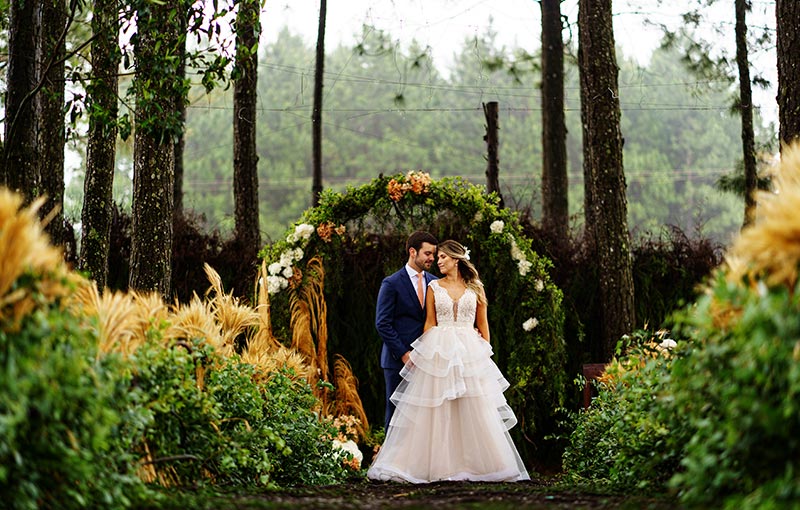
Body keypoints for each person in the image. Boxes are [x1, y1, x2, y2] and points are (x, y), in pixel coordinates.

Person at [368, 240, 530, 483]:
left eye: (442, 256)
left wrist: (482, 354)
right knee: (438, 409)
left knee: (473, 408)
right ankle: (435, 465)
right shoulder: (434, 286)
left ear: (456, 259)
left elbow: (483, 326)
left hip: (469, 352)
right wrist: (425, 354)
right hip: (440, 350)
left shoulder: (476, 288)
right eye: (435, 256)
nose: (437, 260)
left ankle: (477, 464)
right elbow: (429, 323)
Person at [375, 231, 439, 431]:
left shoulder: (435, 283)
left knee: (425, 415)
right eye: (428, 253)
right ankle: (389, 461)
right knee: (396, 413)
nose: (432, 258)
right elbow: (382, 323)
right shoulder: (391, 283)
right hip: (397, 362)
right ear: (413, 252)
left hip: (428, 361)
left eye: (434, 254)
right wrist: (404, 354)